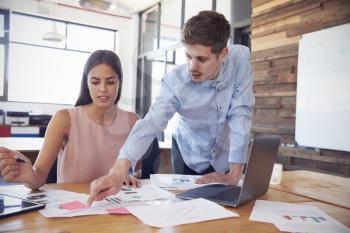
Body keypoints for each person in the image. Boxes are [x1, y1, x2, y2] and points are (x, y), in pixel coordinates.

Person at [87, 10, 255, 205]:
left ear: (223, 54)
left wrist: (235, 174)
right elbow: (150, 123)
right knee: (185, 206)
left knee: (227, 209)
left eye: (201, 59)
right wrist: (117, 173)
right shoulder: (175, 82)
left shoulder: (240, 59)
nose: (192, 66)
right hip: (188, 151)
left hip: (224, 154)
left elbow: (240, 113)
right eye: (188, 56)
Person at [0, 50, 140, 189]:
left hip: (116, 205)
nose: (102, 89)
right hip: (72, 205)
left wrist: (128, 175)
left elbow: (137, 170)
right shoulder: (64, 119)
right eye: (95, 82)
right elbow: (39, 177)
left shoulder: (133, 121)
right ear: (87, 83)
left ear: (119, 83)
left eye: (110, 82)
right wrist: (29, 176)